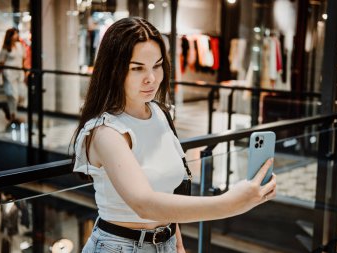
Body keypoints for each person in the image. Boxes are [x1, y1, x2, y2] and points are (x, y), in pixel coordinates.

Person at [72, 17, 276, 253]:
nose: (152, 78)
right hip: (118, 247)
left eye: (157, 65)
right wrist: (231, 203)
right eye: (137, 68)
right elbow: (145, 204)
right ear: (113, 70)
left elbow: (166, 193)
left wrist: (176, 241)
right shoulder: (105, 131)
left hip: (165, 243)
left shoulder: (159, 113)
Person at [0, 28, 27, 123]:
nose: (17, 36)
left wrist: (24, 72)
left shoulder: (19, 46)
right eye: (15, 34)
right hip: (9, 74)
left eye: (17, 34)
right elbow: (1, 63)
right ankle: (13, 116)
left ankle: (7, 108)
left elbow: (23, 60)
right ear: (10, 36)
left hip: (19, 73)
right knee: (12, 95)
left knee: (22, 94)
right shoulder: (5, 48)